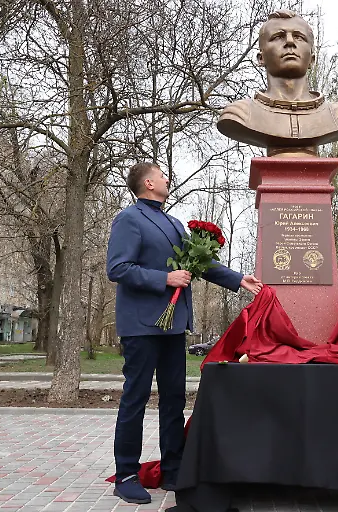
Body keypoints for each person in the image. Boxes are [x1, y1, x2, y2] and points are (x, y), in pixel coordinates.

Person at [106, 162, 262, 504]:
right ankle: (127, 474)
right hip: (142, 327)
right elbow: (117, 268)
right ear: (148, 182)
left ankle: (174, 469)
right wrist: (165, 279)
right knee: (136, 397)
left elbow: (197, 263)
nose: (167, 178)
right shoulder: (130, 219)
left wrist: (238, 279)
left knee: (174, 398)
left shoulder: (173, 222)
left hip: (173, 326)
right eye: (162, 174)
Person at [216, 9, 338, 157]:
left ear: (312, 59)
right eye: (278, 37)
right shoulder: (241, 114)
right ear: (261, 58)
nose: (290, 42)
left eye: (299, 37)